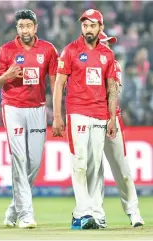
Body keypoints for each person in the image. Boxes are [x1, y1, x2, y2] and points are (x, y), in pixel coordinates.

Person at [0, 10, 58, 228]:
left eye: (28, 25)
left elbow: (56, 83)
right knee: (19, 160)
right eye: (21, 26)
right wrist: (6, 76)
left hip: (38, 109)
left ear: (35, 27)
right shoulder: (6, 50)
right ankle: (26, 214)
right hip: (13, 109)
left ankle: (13, 209)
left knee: (35, 162)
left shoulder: (48, 49)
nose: (24, 30)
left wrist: (57, 115)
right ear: (17, 28)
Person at [52, 9, 118, 230]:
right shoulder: (70, 50)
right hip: (77, 111)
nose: (88, 29)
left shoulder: (107, 54)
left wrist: (112, 118)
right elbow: (59, 84)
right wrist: (58, 116)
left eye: (92, 25)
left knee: (96, 164)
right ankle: (85, 212)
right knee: (79, 162)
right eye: (85, 25)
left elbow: (111, 87)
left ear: (100, 27)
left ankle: (95, 213)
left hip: (100, 114)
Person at [93, 32, 145, 228]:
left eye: (109, 44)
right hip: (91, 120)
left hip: (112, 119)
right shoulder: (84, 64)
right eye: (104, 43)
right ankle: (97, 214)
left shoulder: (114, 65)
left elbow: (113, 92)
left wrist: (111, 118)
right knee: (94, 169)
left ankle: (134, 212)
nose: (108, 47)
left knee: (122, 169)